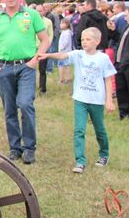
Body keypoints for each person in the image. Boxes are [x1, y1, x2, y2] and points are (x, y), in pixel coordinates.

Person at [0, 0, 50, 164]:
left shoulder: (32, 15)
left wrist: (34, 60)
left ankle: (29, 147)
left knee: (25, 104)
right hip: (4, 68)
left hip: (26, 67)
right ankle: (15, 147)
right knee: (9, 109)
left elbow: (45, 40)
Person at [38, 28, 116, 173]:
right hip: (80, 99)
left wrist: (109, 100)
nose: (84, 42)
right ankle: (80, 161)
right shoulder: (78, 55)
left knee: (100, 129)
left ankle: (104, 154)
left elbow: (108, 79)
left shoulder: (103, 58)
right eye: (82, 40)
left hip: (97, 101)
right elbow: (62, 56)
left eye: (88, 39)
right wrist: (47, 54)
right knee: (79, 130)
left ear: (97, 41)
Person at [37, 5, 54, 94]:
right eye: (37, 11)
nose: (38, 13)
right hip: (32, 47)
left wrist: (47, 44)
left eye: (40, 11)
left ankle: (42, 89)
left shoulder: (48, 21)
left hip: (43, 48)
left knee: (42, 69)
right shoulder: (30, 20)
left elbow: (50, 34)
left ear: (44, 12)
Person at [56, 19, 73, 84]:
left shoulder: (67, 33)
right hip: (65, 52)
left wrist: (61, 49)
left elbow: (65, 42)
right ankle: (66, 79)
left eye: (62, 23)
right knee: (66, 65)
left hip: (64, 52)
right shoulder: (65, 32)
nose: (61, 25)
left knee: (62, 65)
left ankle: (62, 79)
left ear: (67, 24)